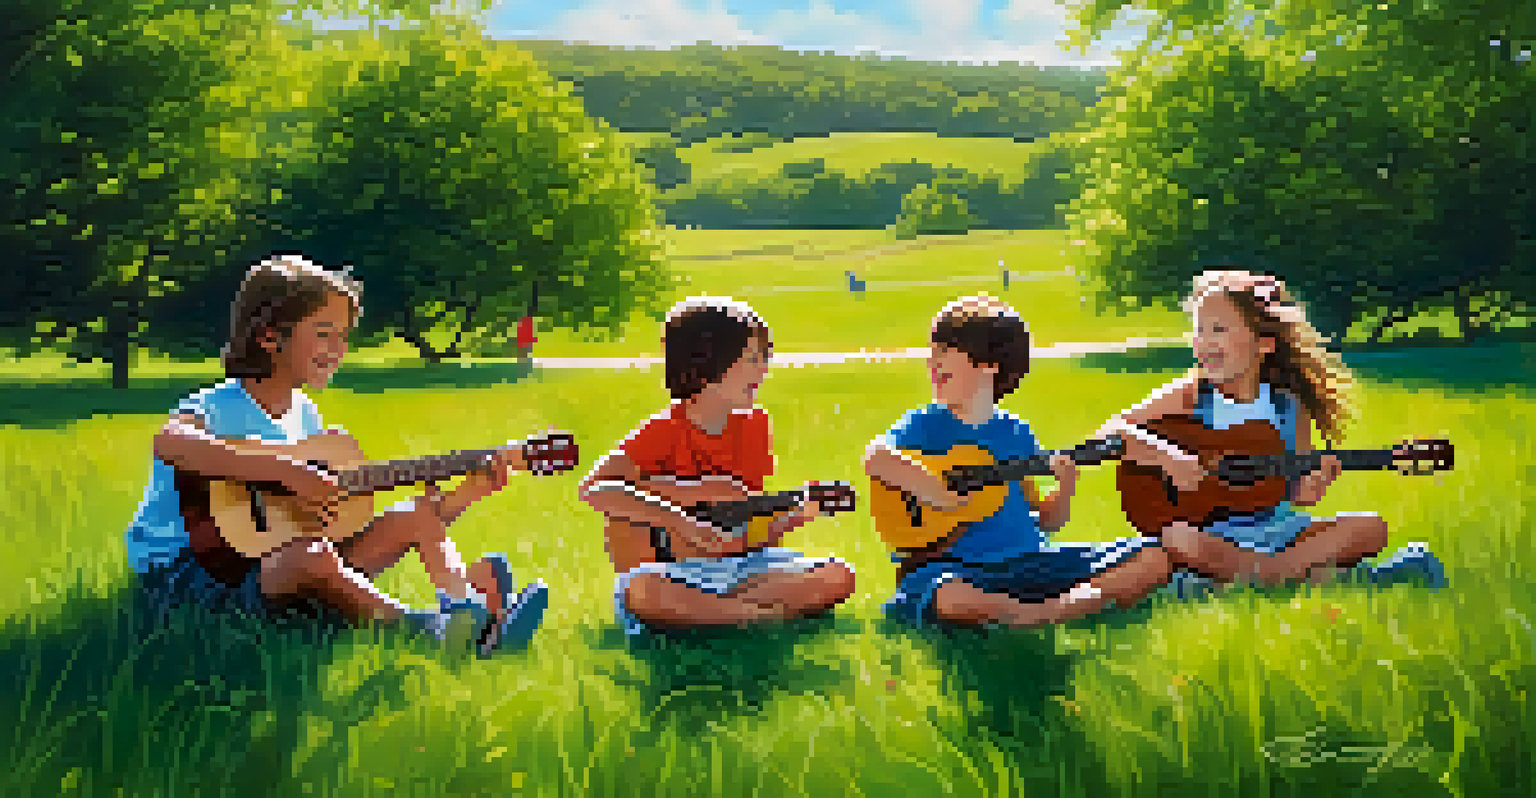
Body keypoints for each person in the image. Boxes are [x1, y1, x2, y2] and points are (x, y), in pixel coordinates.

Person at [125, 255, 549, 655]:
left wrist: (465, 494)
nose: (338, 348)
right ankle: (429, 632)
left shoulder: (306, 418)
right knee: (312, 555)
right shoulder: (217, 406)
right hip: (190, 579)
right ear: (269, 336)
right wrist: (287, 472)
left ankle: (467, 607)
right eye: (324, 333)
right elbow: (171, 443)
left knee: (412, 516)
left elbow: (335, 525)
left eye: (343, 337)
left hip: (274, 568)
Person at [1094, 269, 1446, 595]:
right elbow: (1108, 434)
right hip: (1208, 534)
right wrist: (1169, 457)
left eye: (1219, 329)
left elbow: (1294, 493)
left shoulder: (1289, 406)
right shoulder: (1191, 392)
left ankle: (1253, 578)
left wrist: (1313, 485)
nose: (1204, 341)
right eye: (1199, 330)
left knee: (1370, 528)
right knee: (1176, 540)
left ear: (1264, 344)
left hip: (1278, 529)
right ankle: (1338, 577)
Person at [866, 294, 1172, 628]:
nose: (931, 364)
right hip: (958, 567)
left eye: (943, 354)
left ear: (989, 364)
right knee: (948, 596)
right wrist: (937, 494)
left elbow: (1046, 522)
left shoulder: (1016, 434)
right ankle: (1051, 609)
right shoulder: (924, 424)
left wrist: (1064, 488)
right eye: (931, 354)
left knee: (1152, 556)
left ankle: (1047, 610)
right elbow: (877, 459)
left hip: (1030, 561)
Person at [578, 296, 856, 634]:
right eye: (752, 358)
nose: (763, 369)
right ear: (704, 361)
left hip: (740, 568)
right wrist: (678, 517)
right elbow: (594, 489)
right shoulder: (663, 431)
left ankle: (714, 614)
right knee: (644, 592)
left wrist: (798, 515)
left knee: (838, 575)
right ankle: (757, 615)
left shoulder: (755, 427)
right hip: (671, 572)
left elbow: (746, 530)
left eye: (764, 358)